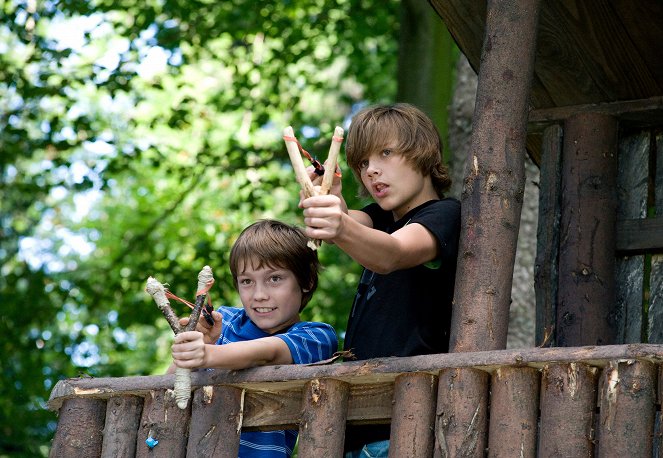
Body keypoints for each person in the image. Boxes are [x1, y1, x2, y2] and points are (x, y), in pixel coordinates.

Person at [299, 103, 460, 457]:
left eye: (385, 153)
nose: (371, 171)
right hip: (355, 424)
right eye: (362, 163)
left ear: (423, 152)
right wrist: (328, 198)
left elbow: (390, 253)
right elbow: (349, 221)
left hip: (408, 422)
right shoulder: (381, 217)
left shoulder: (445, 214)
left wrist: (337, 224)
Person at [171, 219, 338, 458]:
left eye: (275, 279)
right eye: (247, 281)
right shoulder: (224, 322)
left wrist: (207, 355)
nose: (259, 295)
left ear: (306, 282)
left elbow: (267, 352)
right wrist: (191, 351)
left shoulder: (316, 337)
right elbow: (166, 387)